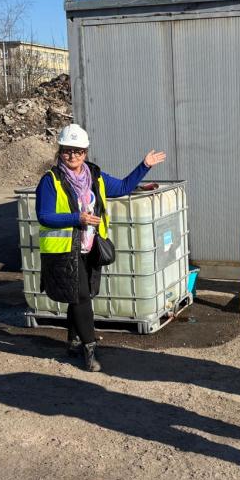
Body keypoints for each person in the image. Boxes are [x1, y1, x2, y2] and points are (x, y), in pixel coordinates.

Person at [36, 123, 166, 372]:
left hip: (90, 248)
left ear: (85, 152)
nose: (72, 156)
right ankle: (89, 349)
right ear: (59, 151)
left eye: (78, 151)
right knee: (82, 297)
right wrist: (78, 218)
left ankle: (73, 340)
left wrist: (145, 165)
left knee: (81, 295)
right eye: (66, 151)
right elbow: (44, 215)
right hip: (64, 251)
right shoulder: (50, 180)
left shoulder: (95, 176)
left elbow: (123, 187)